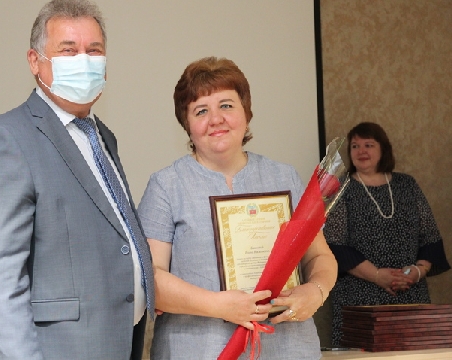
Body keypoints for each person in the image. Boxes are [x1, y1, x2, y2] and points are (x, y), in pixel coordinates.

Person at [0, 0, 154, 360]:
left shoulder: (101, 135)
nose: (84, 61)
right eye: (68, 51)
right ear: (35, 61)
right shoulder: (6, 139)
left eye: (93, 50)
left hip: (117, 344)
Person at [137, 56, 338, 359]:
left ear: (246, 112)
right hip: (199, 350)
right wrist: (219, 306)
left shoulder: (285, 178)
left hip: (287, 348)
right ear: (187, 124)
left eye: (227, 105)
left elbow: (320, 256)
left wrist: (316, 291)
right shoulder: (166, 185)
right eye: (201, 111)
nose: (216, 118)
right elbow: (151, 278)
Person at [323, 121, 451, 346]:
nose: (361, 151)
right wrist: (377, 276)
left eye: (368, 145)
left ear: (383, 149)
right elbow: (335, 245)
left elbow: (430, 237)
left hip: (410, 295)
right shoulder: (340, 188)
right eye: (355, 146)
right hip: (359, 300)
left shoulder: (407, 184)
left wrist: (417, 272)